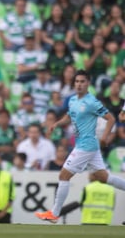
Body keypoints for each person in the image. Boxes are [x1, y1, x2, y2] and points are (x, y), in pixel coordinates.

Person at [35, 70, 125, 223]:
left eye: (82, 81)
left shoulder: (92, 102)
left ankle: (54, 214)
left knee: (63, 176)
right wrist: (57, 123)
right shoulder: (72, 100)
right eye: (77, 81)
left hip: (86, 145)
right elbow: (70, 115)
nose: (79, 84)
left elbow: (110, 118)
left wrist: (105, 138)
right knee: (104, 177)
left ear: (88, 83)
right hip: (87, 145)